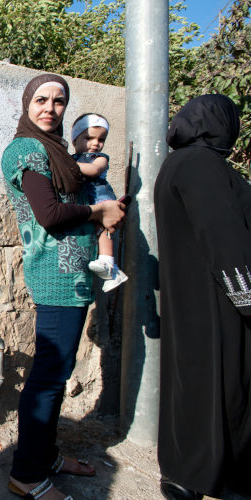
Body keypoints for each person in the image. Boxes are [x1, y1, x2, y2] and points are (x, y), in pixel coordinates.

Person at [0, 74, 125, 499]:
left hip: (72, 277)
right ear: (26, 103)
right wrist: (99, 210)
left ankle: (46, 456)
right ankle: (26, 475)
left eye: (58, 101)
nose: (49, 108)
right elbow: (50, 214)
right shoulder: (26, 149)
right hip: (53, 276)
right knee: (49, 376)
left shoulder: (55, 152)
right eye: (40, 100)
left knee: (60, 371)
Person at [154, 94, 251, 500]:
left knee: (193, 384)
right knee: (226, 386)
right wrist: (247, 297)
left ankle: (186, 473)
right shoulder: (200, 165)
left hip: (193, 297)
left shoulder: (180, 164)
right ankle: (219, 476)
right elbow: (223, 238)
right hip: (218, 302)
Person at [71, 113, 128, 292]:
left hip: (100, 197)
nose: (95, 143)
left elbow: (94, 170)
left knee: (103, 229)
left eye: (101, 139)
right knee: (95, 231)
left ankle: (109, 262)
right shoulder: (72, 159)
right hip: (86, 200)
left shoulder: (100, 158)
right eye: (89, 138)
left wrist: (66, 165)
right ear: (75, 140)